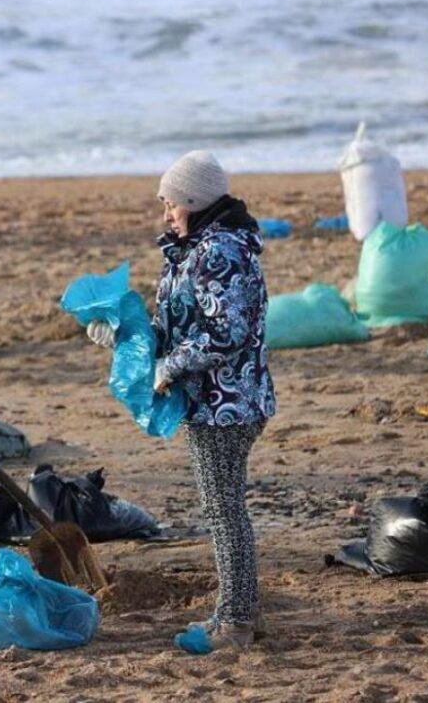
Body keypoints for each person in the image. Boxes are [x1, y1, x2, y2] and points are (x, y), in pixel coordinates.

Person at [87, 150, 275, 654]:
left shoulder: (220, 252)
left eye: (170, 203)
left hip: (227, 403)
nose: (166, 213)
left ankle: (234, 624)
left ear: (194, 200)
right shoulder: (192, 249)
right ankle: (241, 616)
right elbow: (178, 329)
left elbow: (227, 334)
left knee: (223, 510)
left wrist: (167, 369)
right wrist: (124, 334)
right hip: (211, 401)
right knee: (224, 507)